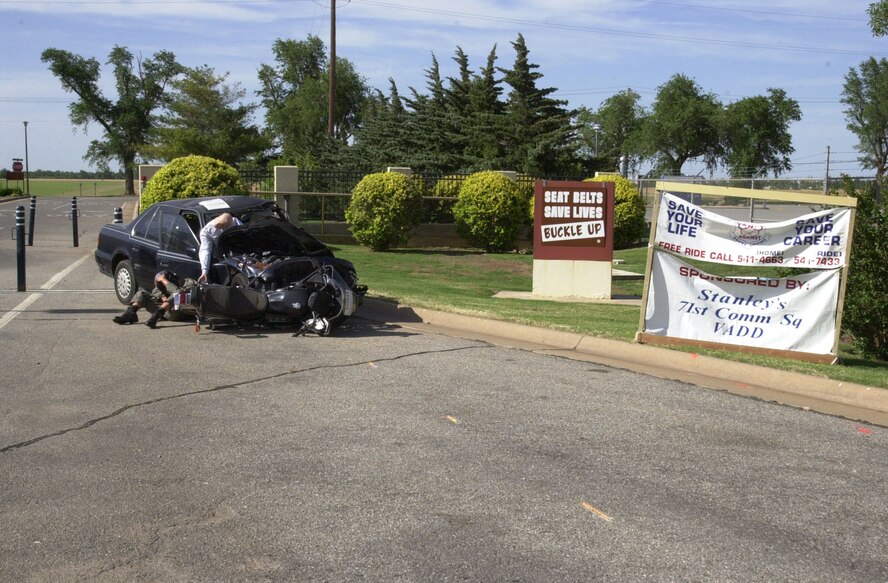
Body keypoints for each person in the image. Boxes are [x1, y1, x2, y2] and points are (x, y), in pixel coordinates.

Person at [113, 271, 196, 328]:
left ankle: (155, 317)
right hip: (166, 311)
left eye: (164, 284)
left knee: (177, 295)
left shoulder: (189, 282)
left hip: (181, 312)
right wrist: (162, 296)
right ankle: (130, 313)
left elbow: (178, 292)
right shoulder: (160, 287)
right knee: (141, 293)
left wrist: (164, 280)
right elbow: (155, 291)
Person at [198, 212, 241, 284]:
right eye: (225, 227)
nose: (227, 228)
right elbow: (205, 251)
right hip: (223, 259)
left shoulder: (235, 221)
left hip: (240, 254)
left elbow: (245, 234)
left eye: (229, 226)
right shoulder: (206, 232)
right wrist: (204, 271)